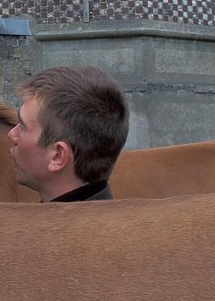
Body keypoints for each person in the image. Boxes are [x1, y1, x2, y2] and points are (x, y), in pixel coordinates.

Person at [7, 66, 129, 202]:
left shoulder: (76, 223)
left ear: (57, 156)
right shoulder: (109, 220)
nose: (12, 134)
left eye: (23, 127)